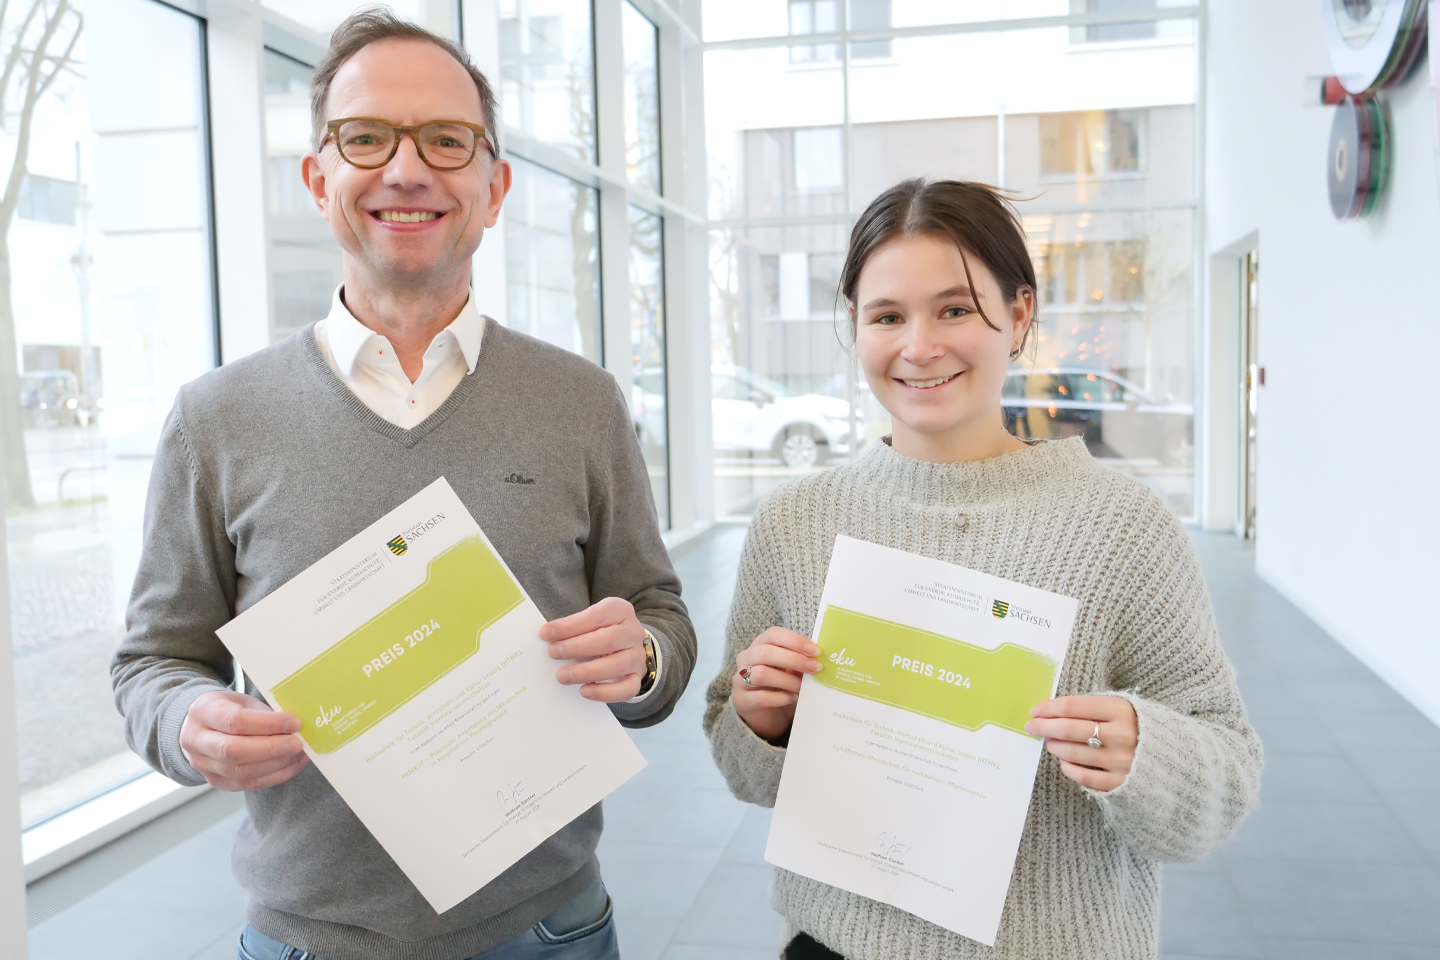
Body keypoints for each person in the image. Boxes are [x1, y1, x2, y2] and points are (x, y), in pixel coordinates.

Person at [111, 11, 694, 960]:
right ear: (318, 178)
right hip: (308, 938)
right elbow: (150, 664)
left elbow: (659, 614)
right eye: (366, 137)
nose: (407, 169)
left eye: (447, 140)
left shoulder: (581, 401)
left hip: (545, 925)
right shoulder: (216, 419)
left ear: (494, 187)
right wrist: (187, 725)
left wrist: (645, 661)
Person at [703, 179, 1261, 960]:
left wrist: (1147, 750)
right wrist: (763, 725)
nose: (919, 346)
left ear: (1020, 315)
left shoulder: (1123, 528)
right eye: (886, 316)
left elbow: (1227, 771)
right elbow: (744, 770)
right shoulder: (795, 524)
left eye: (955, 309)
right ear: (855, 328)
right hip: (833, 944)